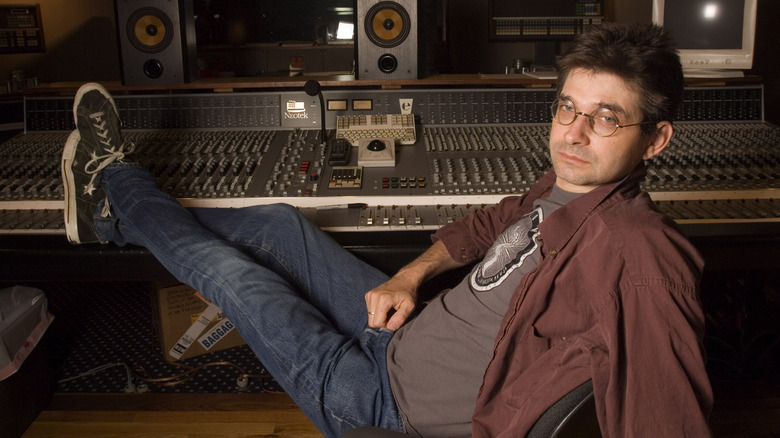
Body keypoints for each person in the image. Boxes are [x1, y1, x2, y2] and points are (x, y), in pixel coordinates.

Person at [61, 22, 712, 438]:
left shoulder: (639, 255)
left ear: (656, 139)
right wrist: (410, 274)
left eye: (605, 119)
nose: (571, 133)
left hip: (381, 404)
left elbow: (668, 423)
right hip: (401, 332)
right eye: (568, 106)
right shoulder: (568, 187)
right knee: (282, 226)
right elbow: (490, 224)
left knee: (238, 279)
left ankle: (116, 194)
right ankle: (119, 219)